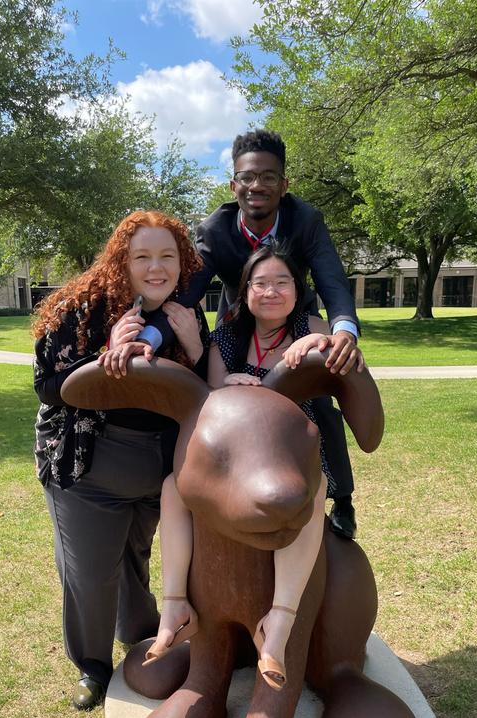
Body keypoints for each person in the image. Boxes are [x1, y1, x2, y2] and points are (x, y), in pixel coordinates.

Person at [108, 129, 364, 539]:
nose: (256, 185)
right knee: (223, 399)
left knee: (319, 402)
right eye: (247, 177)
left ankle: (342, 497)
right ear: (233, 185)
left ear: (284, 185)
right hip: (238, 322)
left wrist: (344, 331)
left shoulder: (307, 220)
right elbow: (184, 296)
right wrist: (149, 339)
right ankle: (224, 482)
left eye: (268, 177)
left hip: (296, 320)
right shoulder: (215, 229)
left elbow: (332, 281)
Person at [33, 211, 208, 710]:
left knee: (136, 557)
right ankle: (92, 665)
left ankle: (139, 632)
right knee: (91, 573)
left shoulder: (185, 312)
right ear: (121, 260)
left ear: (183, 261)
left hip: (157, 464)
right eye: (142, 257)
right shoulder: (79, 308)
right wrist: (104, 354)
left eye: (168, 256)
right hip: (88, 463)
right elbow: (48, 386)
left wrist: (195, 345)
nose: (157, 268)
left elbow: (202, 389)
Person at [144, 244, 336, 690]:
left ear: (298, 290)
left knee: (315, 491)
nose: (271, 292)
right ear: (245, 292)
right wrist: (228, 383)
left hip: (291, 453)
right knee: (174, 486)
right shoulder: (228, 336)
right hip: (238, 458)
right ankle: (175, 605)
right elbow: (211, 399)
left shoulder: (312, 328)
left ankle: (280, 621)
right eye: (260, 283)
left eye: (282, 282)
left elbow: (340, 365)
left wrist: (320, 343)